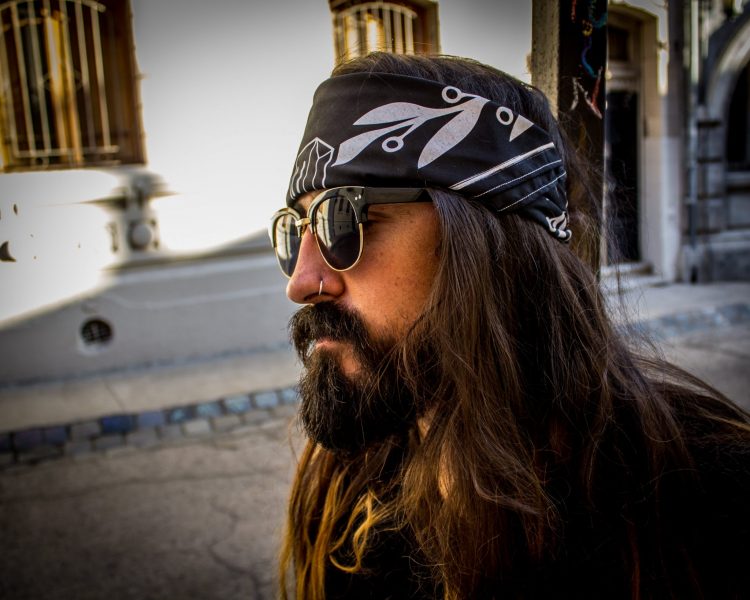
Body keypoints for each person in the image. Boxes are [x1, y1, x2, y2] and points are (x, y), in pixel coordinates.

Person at [269, 52, 750, 599]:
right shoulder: (346, 484)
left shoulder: (707, 501)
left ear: (485, 242)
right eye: (296, 229)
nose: (301, 282)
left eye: (343, 218)